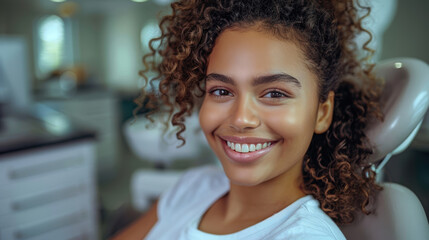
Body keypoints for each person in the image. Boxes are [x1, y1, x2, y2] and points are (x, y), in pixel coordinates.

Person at [113, 0, 383, 239]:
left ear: (322, 113)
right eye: (221, 91)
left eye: (275, 93)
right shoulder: (193, 187)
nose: (241, 119)